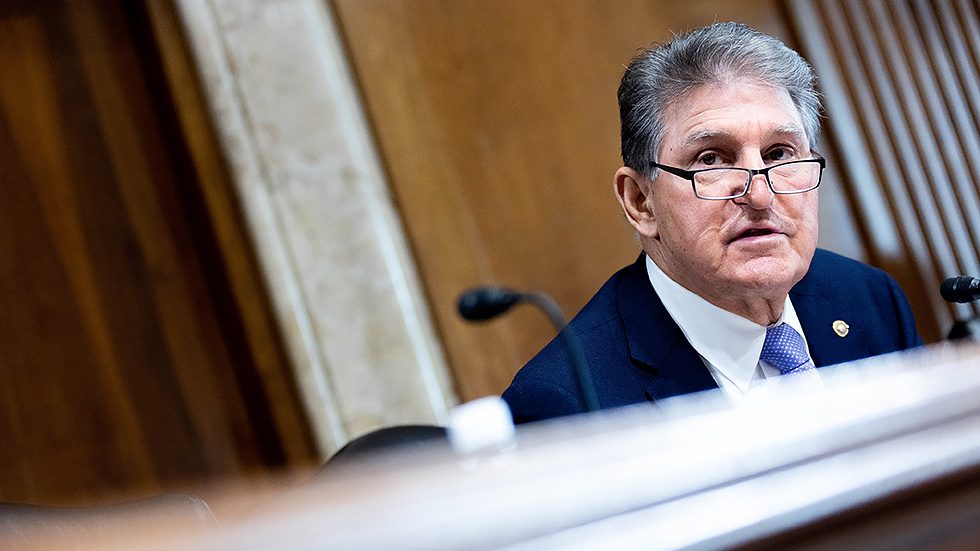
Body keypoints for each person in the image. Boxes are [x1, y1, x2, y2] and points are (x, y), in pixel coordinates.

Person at [501, 22, 922, 423]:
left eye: (778, 153)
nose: (759, 195)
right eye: (712, 160)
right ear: (641, 201)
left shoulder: (869, 299)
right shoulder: (564, 407)